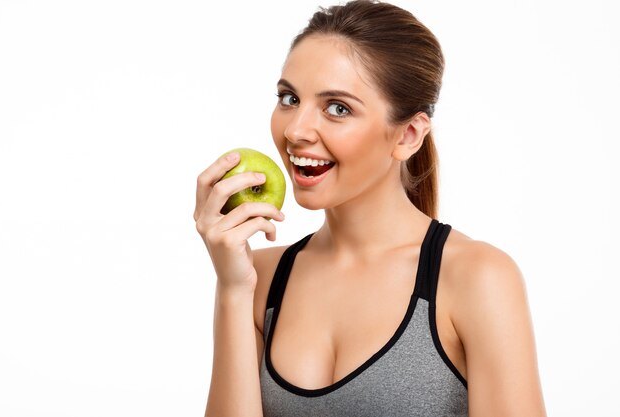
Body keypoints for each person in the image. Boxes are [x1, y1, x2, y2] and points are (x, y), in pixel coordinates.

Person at [194, 0, 547, 415]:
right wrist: (234, 289)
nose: (295, 130)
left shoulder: (477, 278)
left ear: (408, 135)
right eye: (289, 98)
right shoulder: (260, 279)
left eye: (337, 108)